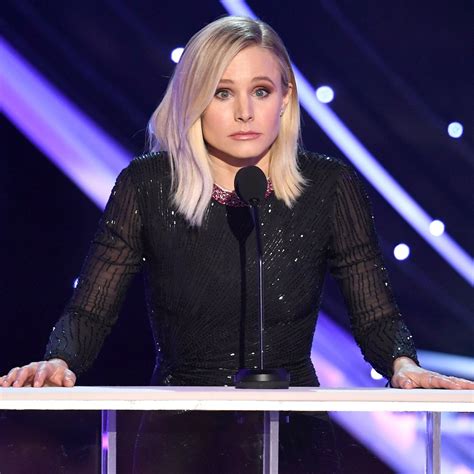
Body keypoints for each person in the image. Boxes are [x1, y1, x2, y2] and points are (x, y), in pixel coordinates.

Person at [1, 15, 472, 474]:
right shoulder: (147, 185)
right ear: (194, 99)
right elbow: (93, 307)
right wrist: (59, 360)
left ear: (286, 98)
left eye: (260, 91)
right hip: (180, 439)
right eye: (222, 92)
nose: (244, 112)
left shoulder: (328, 185)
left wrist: (402, 364)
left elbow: (373, 311)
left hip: (293, 437)